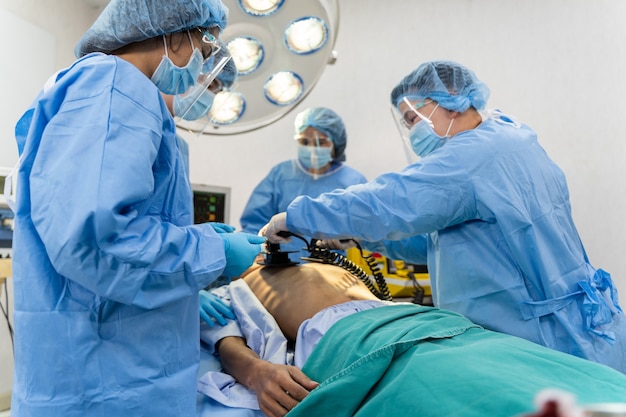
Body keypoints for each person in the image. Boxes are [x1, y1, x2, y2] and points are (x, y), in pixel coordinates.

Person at [260, 60, 626, 374]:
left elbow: (389, 201)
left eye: (413, 117)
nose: (412, 130)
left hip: (543, 338)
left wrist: (299, 216)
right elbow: (442, 244)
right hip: (577, 327)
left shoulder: (474, 156)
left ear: (450, 103)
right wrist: (362, 239)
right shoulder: (510, 137)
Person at [8, 0, 266, 415]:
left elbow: (112, 219)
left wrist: (197, 241)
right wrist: (210, 253)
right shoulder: (114, 85)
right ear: (175, 32)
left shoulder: (109, 90)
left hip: (106, 359)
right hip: (105, 373)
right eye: (202, 51)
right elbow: (95, 239)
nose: (200, 66)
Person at [197, 262, 626, 417]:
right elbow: (223, 337)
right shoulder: (234, 283)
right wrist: (258, 373)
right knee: (486, 395)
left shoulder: (324, 259)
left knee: (536, 374)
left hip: (429, 324)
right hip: (360, 344)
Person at [240, 107, 367, 263]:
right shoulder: (281, 174)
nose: (312, 148)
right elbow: (254, 225)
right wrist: (254, 251)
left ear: (336, 143)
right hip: (280, 272)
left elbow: (368, 227)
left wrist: (352, 235)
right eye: (305, 142)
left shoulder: (353, 181)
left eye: (321, 142)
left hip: (332, 273)